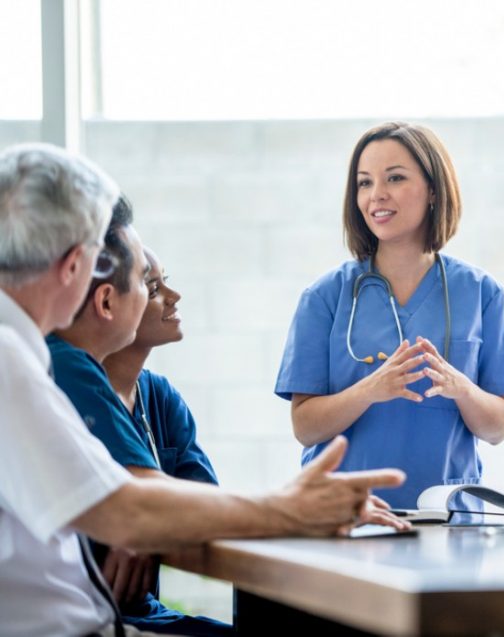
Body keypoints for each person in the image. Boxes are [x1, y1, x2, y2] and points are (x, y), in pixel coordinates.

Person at [0, 143, 407, 637]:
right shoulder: (11, 361)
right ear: (72, 266)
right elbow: (125, 510)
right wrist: (295, 507)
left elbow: (127, 503)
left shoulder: (37, 360)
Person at [275, 122, 504, 509]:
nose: (376, 195)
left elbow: (498, 428)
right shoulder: (324, 297)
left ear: (433, 189)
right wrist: (371, 389)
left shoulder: (483, 294)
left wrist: (461, 388)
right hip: (344, 517)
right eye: (364, 183)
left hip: (447, 518)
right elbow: (306, 427)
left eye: (395, 178)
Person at [49, 196, 227, 634]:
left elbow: (203, 501)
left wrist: (150, 518)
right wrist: (146, 511)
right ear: (107, 302)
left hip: (136, 610)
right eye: (149, 284)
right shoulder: (62, 367)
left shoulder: (159, 396)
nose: (171, 295)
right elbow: (150, 502)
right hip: (94, 614)